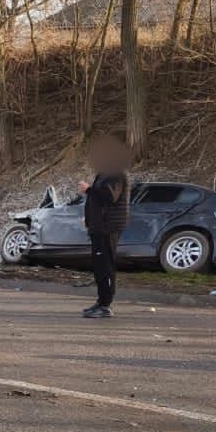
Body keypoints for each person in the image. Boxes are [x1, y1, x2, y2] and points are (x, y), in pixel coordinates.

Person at [80, 135, 131, 319]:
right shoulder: (104, 174)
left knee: (105, 265)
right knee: (100, 266)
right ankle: (101, 301)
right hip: (98, 226)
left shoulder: (116, 174)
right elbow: (98, 202)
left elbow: (108, 198)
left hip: (107, 227)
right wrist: (88, 218)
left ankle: (105, 305)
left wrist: (88, 190)